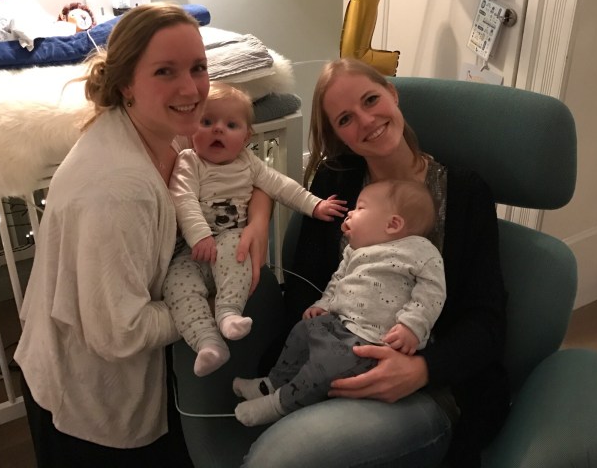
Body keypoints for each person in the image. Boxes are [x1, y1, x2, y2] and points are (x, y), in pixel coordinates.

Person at [13, 3, 273, 468]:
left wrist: (257, 222)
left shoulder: (169, 133)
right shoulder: (119, 190)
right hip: (88, 398)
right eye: (165, 71)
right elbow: (120, 331)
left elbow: (246, 173)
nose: (191, 89)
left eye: (198, 68)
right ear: (126, 84)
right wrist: (214, 302)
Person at [243, 58, 510, 468]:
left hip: (425, 389)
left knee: (277, 459)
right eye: (345, 119)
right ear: (338, 135)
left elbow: (487, 320)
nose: (366, 121)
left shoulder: (465, 194)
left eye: (371, 100)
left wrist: (420, 370)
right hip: (330, 365)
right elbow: (304, 290)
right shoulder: (335, 181)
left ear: (392, 94)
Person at [165, 82, 347, 377]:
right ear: (191, 130)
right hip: (195, 248)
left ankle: (228, 313)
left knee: (238, 250)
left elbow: (282, 186)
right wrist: (200, 235)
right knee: (175, 280)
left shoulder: (249, 164)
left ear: (246, 137)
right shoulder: (190, 161)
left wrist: (315, 205)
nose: (217, 129)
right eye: (207, 122)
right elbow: (182, 198)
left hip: (231, 240)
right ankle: (207, 342)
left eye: (231, 125)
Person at [233, 178, 445, 426]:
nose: (350, 213)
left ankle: (277, 405)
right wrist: (323, 304)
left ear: (393, 224)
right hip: (337, 324)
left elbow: (432, 291)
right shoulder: (353, 251)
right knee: (302, 332)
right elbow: (337, 281)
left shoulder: (421, 251)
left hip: (371, 342)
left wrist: (412, 326)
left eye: (360, 208)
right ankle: (271, 383)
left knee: (323, 367)